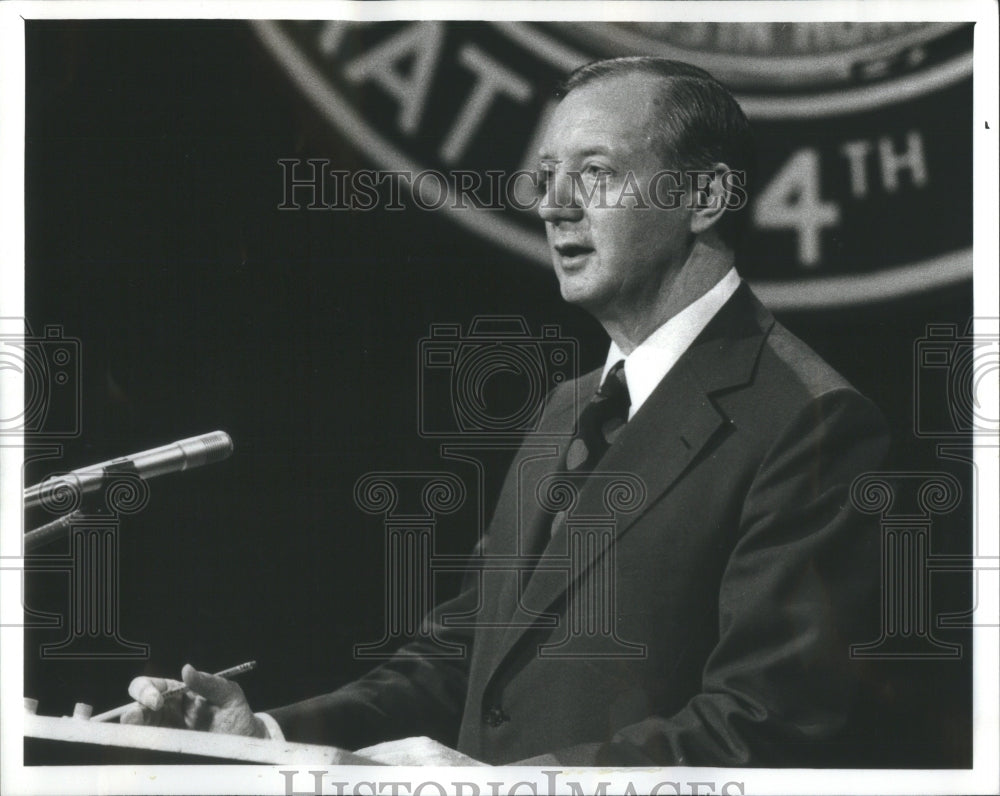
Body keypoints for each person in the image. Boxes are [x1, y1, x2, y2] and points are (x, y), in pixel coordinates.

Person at [123, 57, 890, 767]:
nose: (552, 206)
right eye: (548, 174)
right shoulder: (569, 407)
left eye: (594, 172)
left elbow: (768, 722)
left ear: (705, 197)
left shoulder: (810, 421)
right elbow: (465, 654)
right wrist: (266, 736)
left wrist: (511, 786)